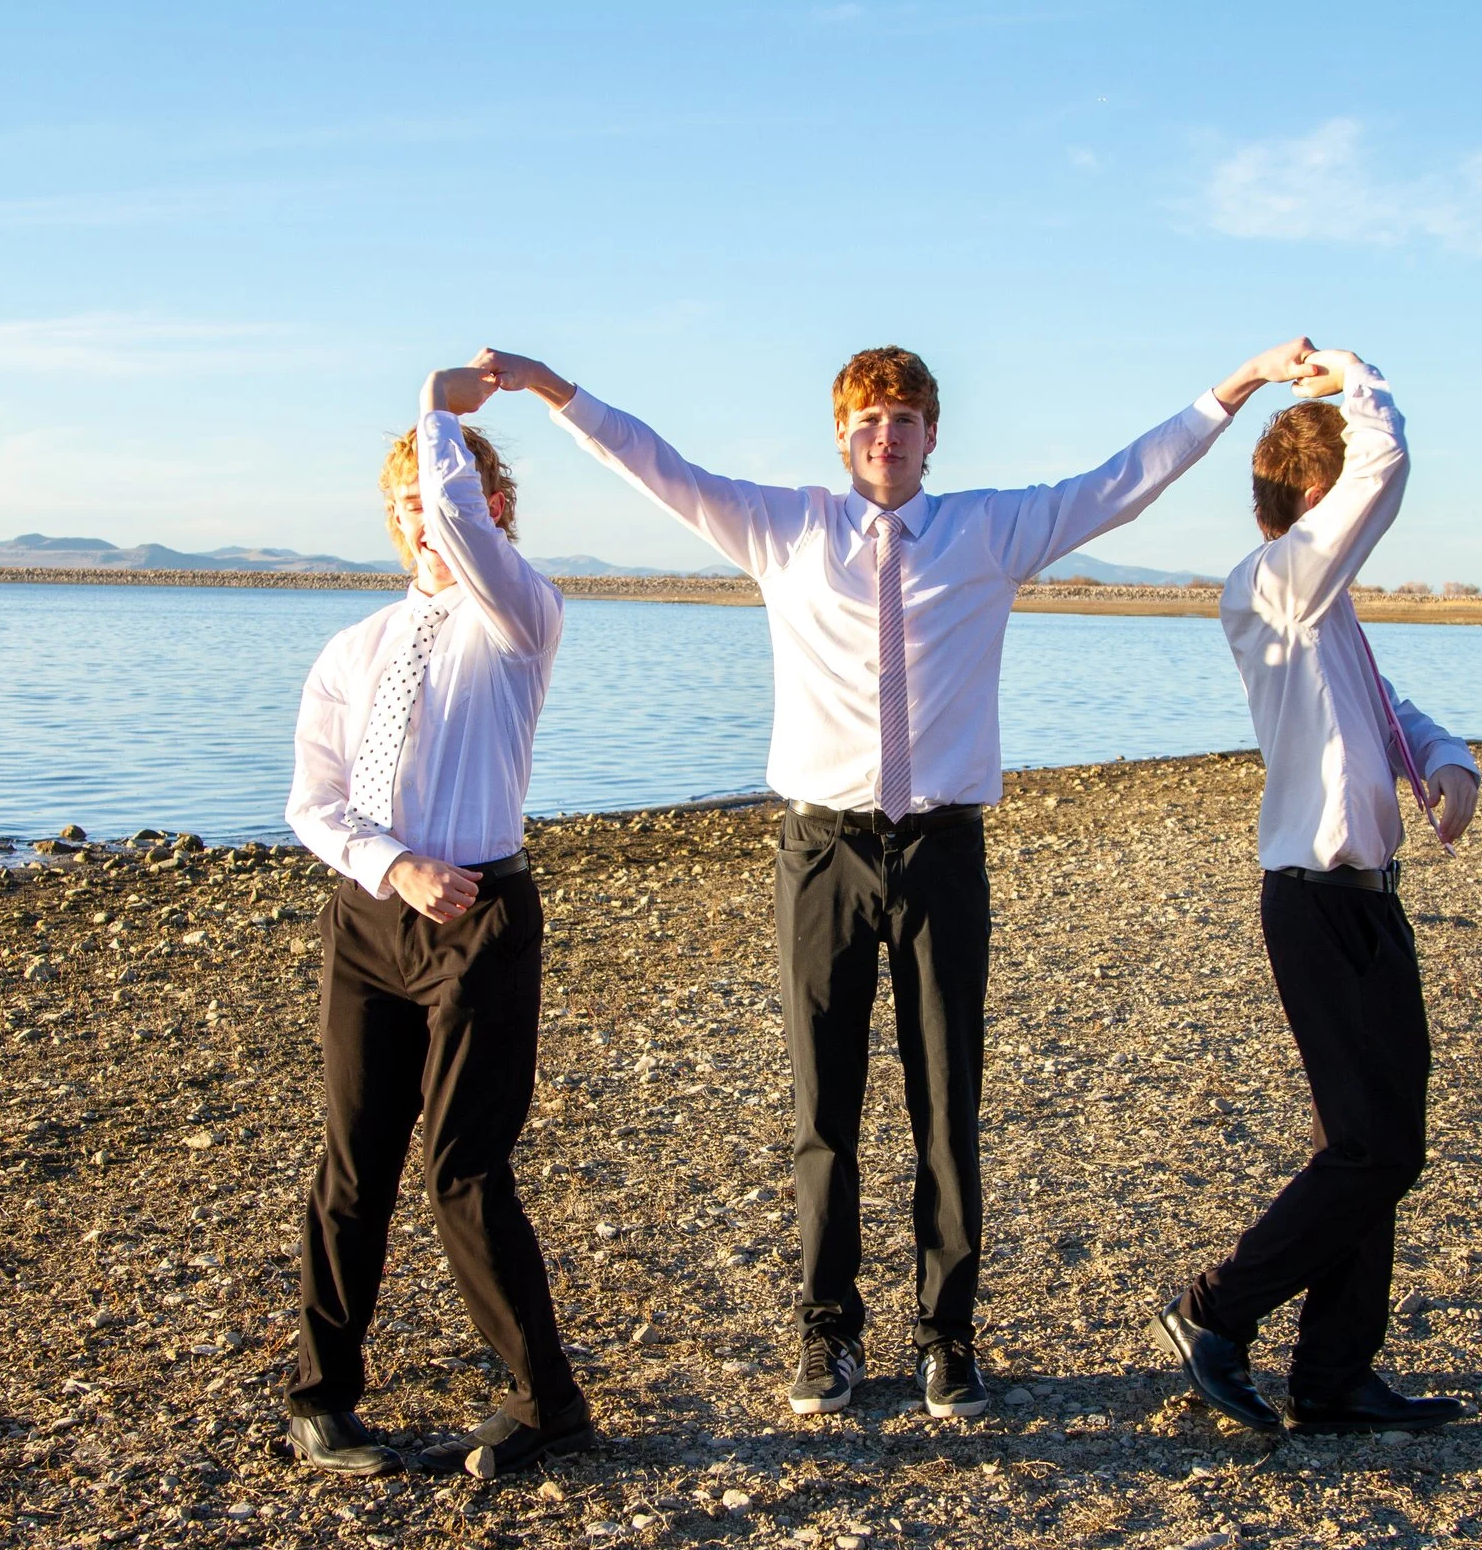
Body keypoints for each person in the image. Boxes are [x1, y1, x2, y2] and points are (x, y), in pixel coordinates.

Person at [475, 337, 1322, 1419]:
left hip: (940, 850)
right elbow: (658, 464)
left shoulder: (988, 531)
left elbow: (1121, 480)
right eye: (867, 419)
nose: (885, 435)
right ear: (843, 434)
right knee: (822, 1105)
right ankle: (827, 1333)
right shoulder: (785, 528)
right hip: (819, 849)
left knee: (944, 1100)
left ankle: (947, 1334)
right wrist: (551, 388)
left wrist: (1236, 385)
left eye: (904, 418)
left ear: (931, 434)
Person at [1153, 348, 1482, 1436]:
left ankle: (1336, 1372)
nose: (1362, 511)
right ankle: (1215, 1309)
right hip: (1311, 898)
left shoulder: (1331, 612)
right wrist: (1362, 381)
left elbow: (1395, 712)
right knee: (1369, 1147)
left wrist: (1448, 764)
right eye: (1337, 492)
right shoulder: (1273, 586)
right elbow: (1381, 473)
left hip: (1368, 901)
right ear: (1308, 497)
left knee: (1383, 1140)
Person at [280, 360, 588, 1481]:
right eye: (405, 501)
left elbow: (457, 507)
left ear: (493, 509)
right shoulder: (349, 648)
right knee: (353, 1160)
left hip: (485, 918)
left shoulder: (519, 611)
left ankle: (549, 1401)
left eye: (443, 496)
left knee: (464, 1165)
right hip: (372, 919)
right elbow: (311, 803)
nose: (425, 516)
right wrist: (392, 863)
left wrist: (437, 407)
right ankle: (319, 1397)